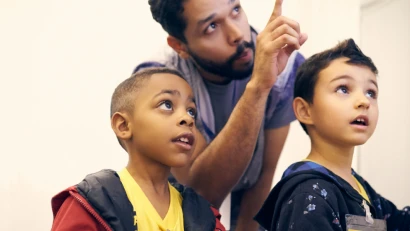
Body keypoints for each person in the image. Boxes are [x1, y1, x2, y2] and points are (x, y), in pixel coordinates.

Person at [133, 0, 308, 230]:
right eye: (211, 27)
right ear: (180, 46)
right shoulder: (156, 83)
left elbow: (264, 175)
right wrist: (258, 88)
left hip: (247, 204)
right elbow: (202, 192)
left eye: (236, 10)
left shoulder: (283, 65)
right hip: (174, 212)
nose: (237, 34)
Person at [254, 39, 410, 231]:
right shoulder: (308, 193)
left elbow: (400, 223)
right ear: (305, 110)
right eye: (343, 89)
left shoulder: (360, 189)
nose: (364, 101)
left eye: (371, 92)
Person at [50, 67, 226, 231]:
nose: (187, 119)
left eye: (191, 111)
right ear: (124, 125)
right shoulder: (90, 204)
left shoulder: (205, 216)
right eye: (167, 104)